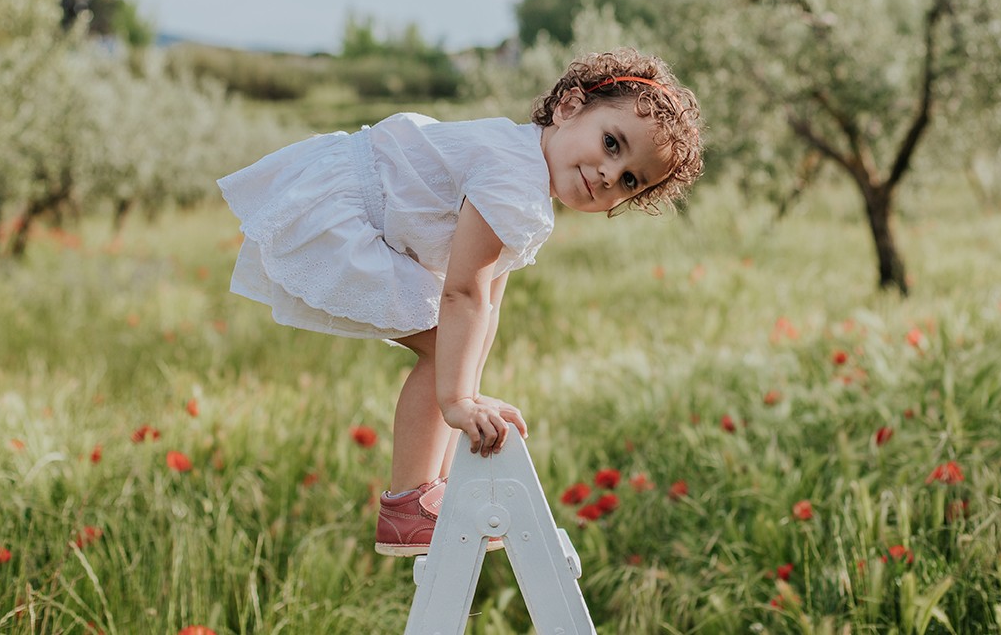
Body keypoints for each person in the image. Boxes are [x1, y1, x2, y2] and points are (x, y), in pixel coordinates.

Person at [218, 48, 704, 555]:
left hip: (361, 205)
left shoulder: (524, 170)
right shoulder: (516, 177)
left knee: (449, 352)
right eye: (611, 143)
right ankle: (408, 503)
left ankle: (437, 492)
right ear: (569, 107)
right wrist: (458, 400)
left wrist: (467, 390)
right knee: (442, 351)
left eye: (630, 180)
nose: (609, 175)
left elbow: (488, 305)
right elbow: (463, 293)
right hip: (349, 213)